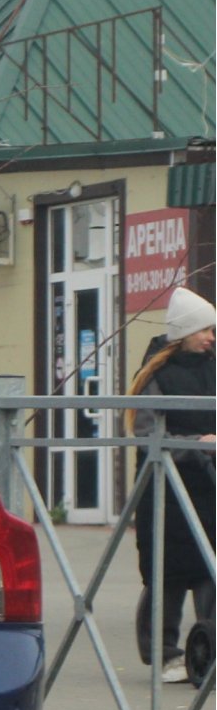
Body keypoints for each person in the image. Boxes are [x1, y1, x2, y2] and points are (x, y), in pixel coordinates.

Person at [128, 287, 216, 682]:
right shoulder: (154, 375)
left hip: (209, 485)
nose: (212, 337)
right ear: (185, 331)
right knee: (167, 572)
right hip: (166, 489)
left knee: (209, 570)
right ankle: (164, 654)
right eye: (205, 330)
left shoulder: (213, 367)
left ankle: (206, 651)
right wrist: (196, 445)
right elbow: (148, 436)